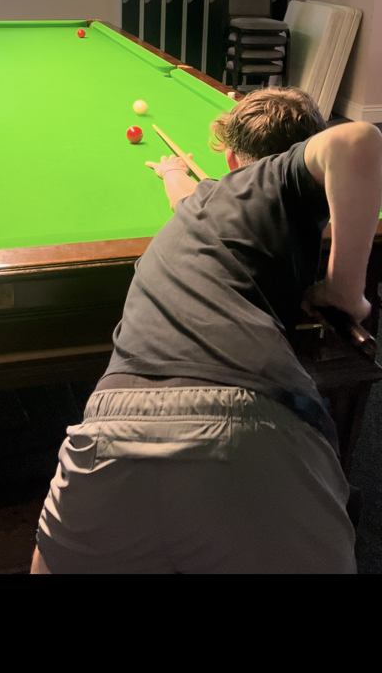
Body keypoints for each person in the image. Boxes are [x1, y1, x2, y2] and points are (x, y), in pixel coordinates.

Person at [31, 87, 382, 574]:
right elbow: (356, 140)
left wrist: (172, 172)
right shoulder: (258, 186)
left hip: (111, 427)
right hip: (250, 424)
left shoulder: (223, 192)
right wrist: (345, 292)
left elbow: (357, 141)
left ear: (233, 160)